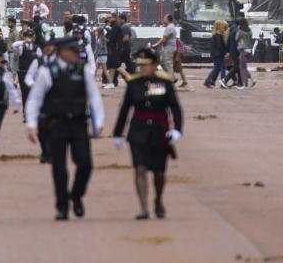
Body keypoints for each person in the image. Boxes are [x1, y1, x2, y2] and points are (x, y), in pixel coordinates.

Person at [25, 38, 104, 220]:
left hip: (77, 124)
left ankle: (76, 196)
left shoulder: (82, 70)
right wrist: (31, 124)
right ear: (62, 51)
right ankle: (62, 206)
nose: (77, 54)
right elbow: (35, 99)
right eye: (73, 50)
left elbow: (94, 97)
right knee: (59, 167)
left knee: (85, 164)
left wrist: (98, 121)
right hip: (56, 124)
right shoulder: (46, 72)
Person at [112, 48, 183, 220]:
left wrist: (177, 130)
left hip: (160, 130)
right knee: (140, 168)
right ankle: (143, 208)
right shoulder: (133, 84)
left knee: (159, 172)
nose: (143, 69)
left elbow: (175, 108)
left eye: (146, 65)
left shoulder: (165, 83)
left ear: (155, 65)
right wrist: (117, 133)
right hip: (138, 131)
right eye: (140, 65)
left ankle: (158, 200)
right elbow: (125, 109)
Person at [203, 20, 229, 88]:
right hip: (219, 54)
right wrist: (224, 53)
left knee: (216, 68)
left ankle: (208, 81)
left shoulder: (215, 34)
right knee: (223, 68)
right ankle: (223, 82)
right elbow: (219, 46)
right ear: (220, 26)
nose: (223, 26)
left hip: (215, 54)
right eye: (222, 25)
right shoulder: (218, 35)